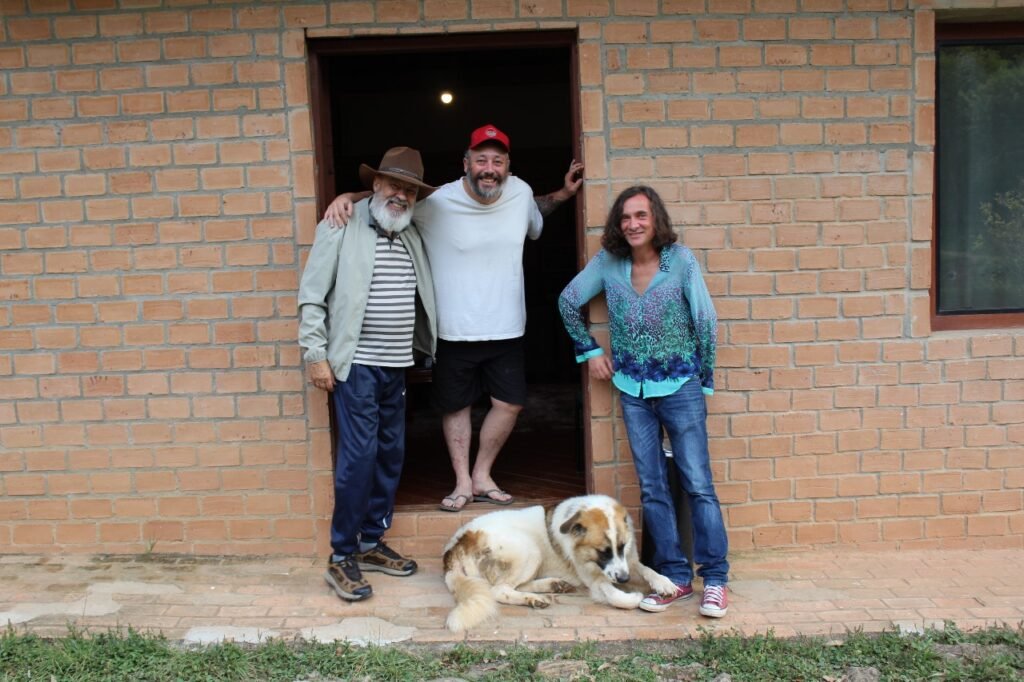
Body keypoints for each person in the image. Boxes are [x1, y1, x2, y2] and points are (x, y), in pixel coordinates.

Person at [324, 124, 584, 513]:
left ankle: (482, 474)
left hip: (508, 326)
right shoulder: (438, 202)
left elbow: (536, 213)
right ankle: (462, 481)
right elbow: (394, 197)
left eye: (498, 160)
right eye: (481, 159)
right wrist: (349, 195)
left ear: (508, 167)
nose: (489, 168)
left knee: (510, 403)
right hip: (452, 329)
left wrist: (563, 194)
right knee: (455, 407)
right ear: (466, 163)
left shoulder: (520, 192)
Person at [557, 185, 730, 618]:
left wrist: (703, 380)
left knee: (698, 484)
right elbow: (567, 301)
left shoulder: (680, 262)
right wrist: (591, 350)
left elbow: (706, 319)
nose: (633, 224)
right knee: (653, 488)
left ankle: (715, 578)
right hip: (632, 391)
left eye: (641, 216)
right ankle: (673, 579)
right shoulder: (609, 263)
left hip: (682, 387)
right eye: (625, 218)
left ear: (656, 221)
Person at [298, 146, 437, 602]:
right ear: (374, 184)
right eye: (392, 184)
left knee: (390, 454)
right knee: (358, 459)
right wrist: (315, 354)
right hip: (354, 365)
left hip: (396, 365)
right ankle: (341, 556)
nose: (401, 194)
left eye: (410, 189)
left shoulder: (410, 229)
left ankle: (372, 541)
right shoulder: (340, 223)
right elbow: (312, 295)